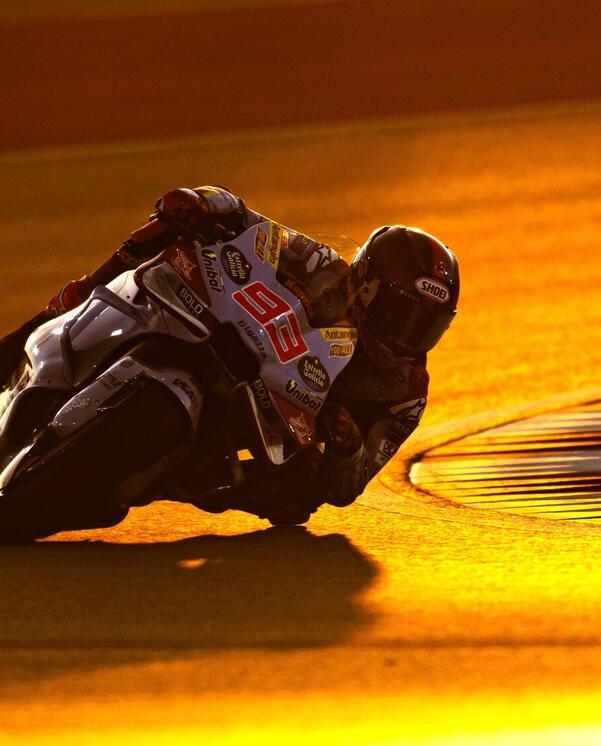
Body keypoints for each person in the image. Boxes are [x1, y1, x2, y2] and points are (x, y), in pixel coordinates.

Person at [0, 187, 460, 524]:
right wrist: (207, 204)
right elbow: (255, 224)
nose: (408, 338)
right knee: (170, 228)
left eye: (427, 325)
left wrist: (347, 447)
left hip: (273, 435)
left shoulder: (406, 393)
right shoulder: (323, 268)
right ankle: (45, 324)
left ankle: (172, 479)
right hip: (228, 338)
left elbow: (349, 486)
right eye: (403, 316)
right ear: (368, 287)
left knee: (298, 498)